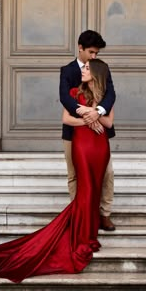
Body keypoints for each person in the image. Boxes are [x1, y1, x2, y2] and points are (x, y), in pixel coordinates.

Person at [0, 58, 114, 283]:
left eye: (87, 68)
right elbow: (66, 118)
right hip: (82, 145)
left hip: (100, 147)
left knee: (94, 190)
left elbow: (108, 123)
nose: (83, 70)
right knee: (85, 191)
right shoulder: (75, 92)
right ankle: (81, 237)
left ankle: (89, 232)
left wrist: (96, 112)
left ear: (95, 73)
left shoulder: (106, 97)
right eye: (84, 66)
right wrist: (88, 117)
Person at [60, 30, 116, 231]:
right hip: (74, 133)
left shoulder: (102, 69)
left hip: (100, 133)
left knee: (107, 174)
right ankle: (79, 213)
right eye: (91, 52)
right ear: (80, 48)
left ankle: (104, 214)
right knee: (74, 174)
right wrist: (86, 114)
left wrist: (98, 112)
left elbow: (110, 95)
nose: (94, 56)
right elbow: (64, 98)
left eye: (96, 53)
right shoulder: (67, 71)